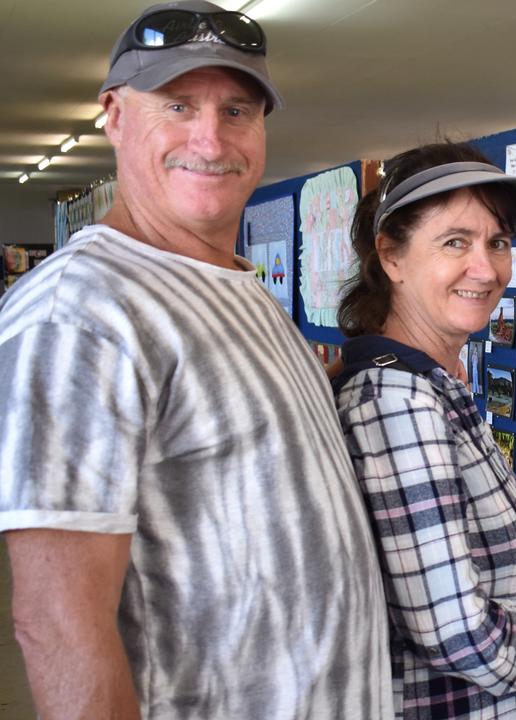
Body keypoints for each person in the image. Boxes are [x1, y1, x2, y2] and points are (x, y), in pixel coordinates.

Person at [0, 3, 391, 717]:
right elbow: (58, 625)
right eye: (178, 104)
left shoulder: (244, 289)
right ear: (115, 116)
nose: (211, 139)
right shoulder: (83, 310)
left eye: (236, 109)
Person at [333, 142, 516, 720]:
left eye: (498, 242)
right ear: (391, 256)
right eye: (455, 242)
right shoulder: (396, 401)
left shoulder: (428, 383)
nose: (485, 269)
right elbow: (459, 633)